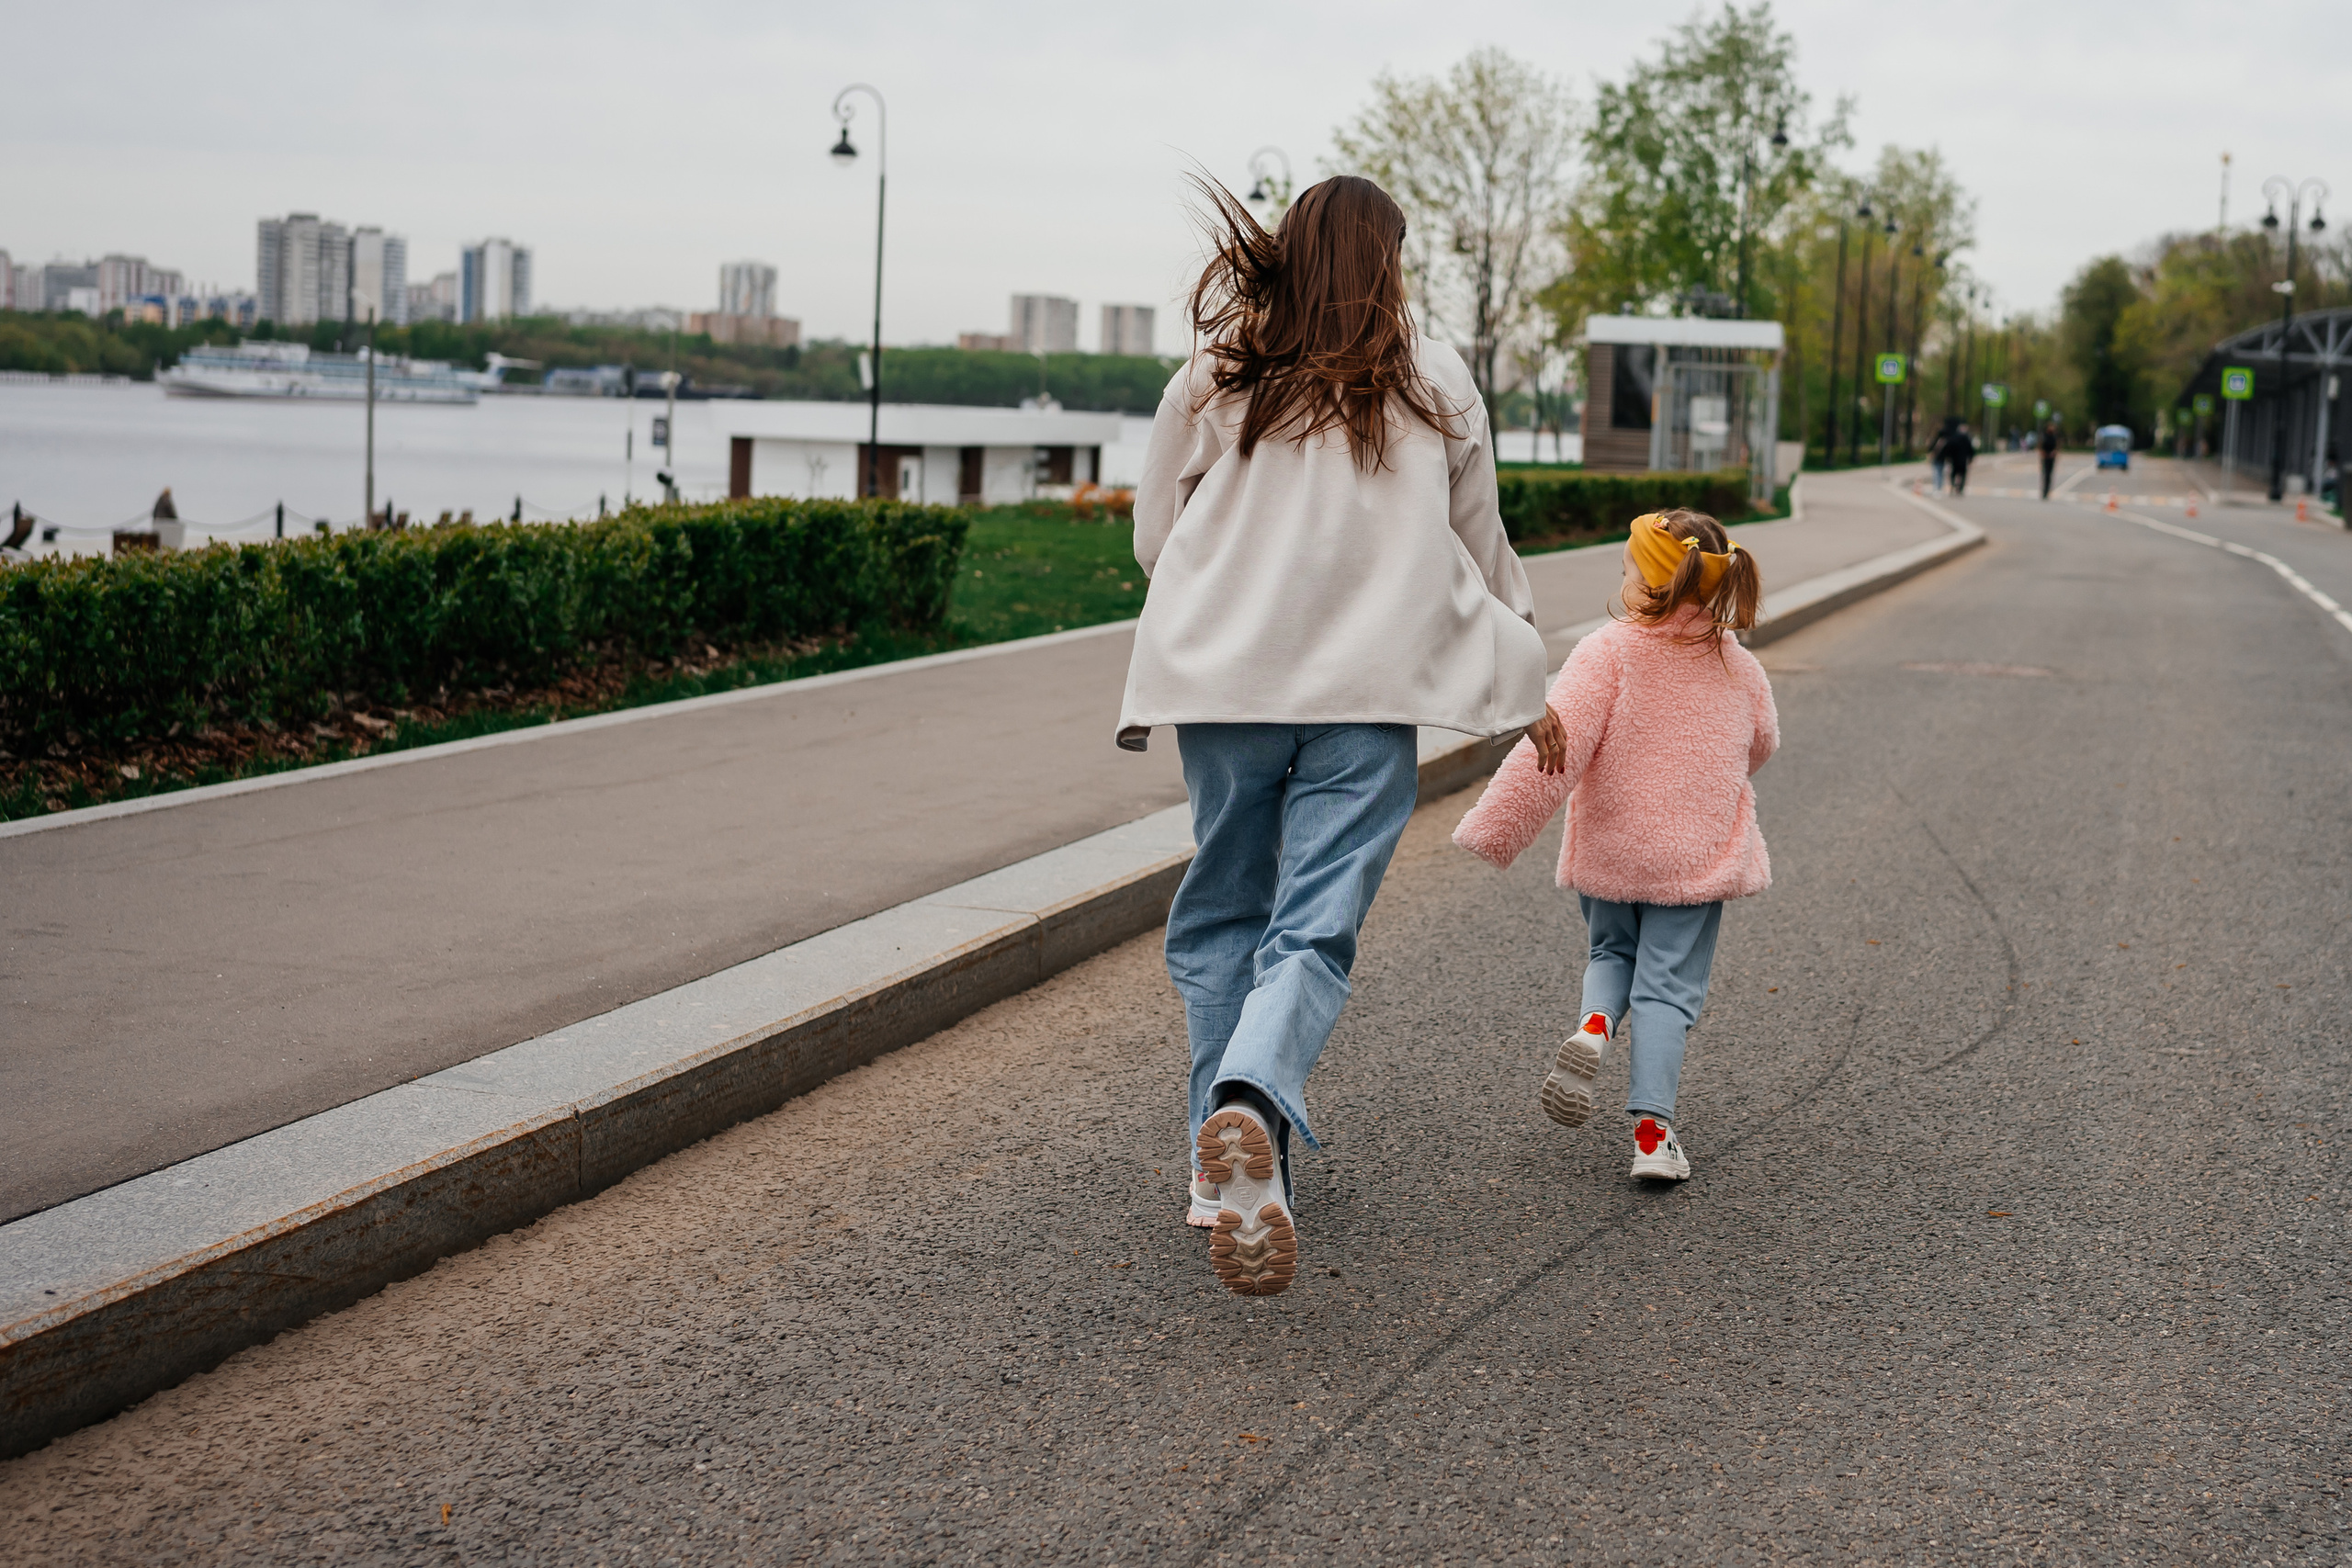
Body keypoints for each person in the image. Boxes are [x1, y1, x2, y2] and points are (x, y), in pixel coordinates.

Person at [1120, 175, 1549, 1296]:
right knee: (1311, 930)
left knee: (1219, 911)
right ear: (1387, 264)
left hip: (1225, 695)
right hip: (1365, 701)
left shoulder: (1217, 373)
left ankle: (1223, 1178)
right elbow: (1479, 544)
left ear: (1290, 252)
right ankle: (1253, 1095)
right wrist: (1528, 663)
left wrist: (1228, 599)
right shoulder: (1435, 379)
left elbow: (1154, 536)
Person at [1452, 510, 1777, 1182]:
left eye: (1627, 567)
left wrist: (1495, 827)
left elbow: (1555, 748)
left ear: (1650, 582)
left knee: (1610, 950)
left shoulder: (1608, 650)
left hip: (1613, 849)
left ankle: (1595, 1025)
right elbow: (1762, 743)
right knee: (1666, 991)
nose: (1621, 577)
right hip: (1694, 859)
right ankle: (1654, 1137)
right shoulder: (1735, 663)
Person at [1945, 421, 1976, 496]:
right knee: (1963, 475)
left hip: (1954, 460)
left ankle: (1953, 486)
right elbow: (1971, 450)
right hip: (1963, 460)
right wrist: (1970, 459)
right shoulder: (1967, 439)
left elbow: (1949, 448)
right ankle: (1960, 489)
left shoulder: (1954, 438)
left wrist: (1948, 458)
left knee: (1953, 474)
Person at [2039, 419, 2061, 499]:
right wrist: (2042, 453)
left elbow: (2057, 446)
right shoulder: (2044, 436)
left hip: (2051, 457)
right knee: (2045, 474)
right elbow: (2040, 445)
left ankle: (2047, 490)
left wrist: (2055, 452)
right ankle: (2044, 490)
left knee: (2050, 474)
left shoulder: (2054, 436)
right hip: (2045, 457)